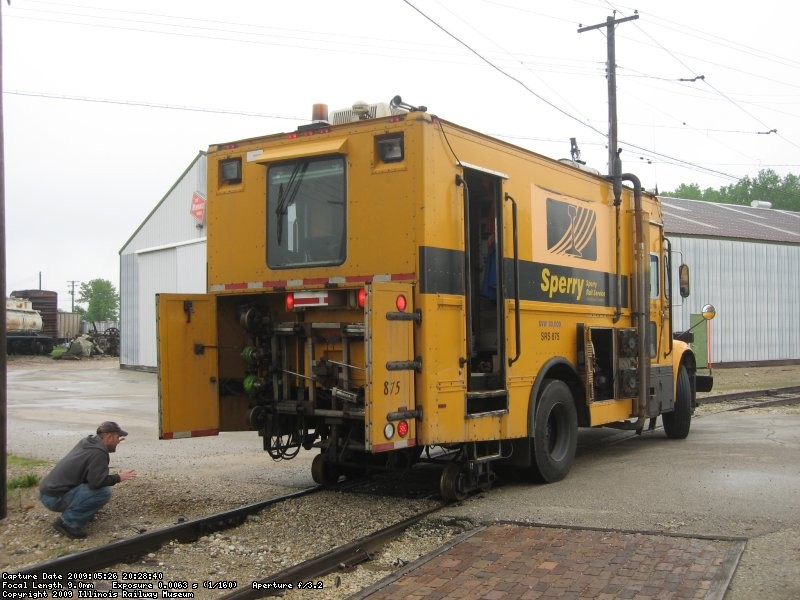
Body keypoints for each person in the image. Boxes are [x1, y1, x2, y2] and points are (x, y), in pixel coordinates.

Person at [39, 421, 137, 539]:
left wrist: (111, 445)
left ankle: (82, 513)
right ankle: (67, 523)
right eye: (117, 437)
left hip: (47, 492)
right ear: (108, 436)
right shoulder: (98, 452)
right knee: (103, 492)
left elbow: (89, 473)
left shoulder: (88, 442)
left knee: (94, 488)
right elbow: (97, 482)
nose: (118, 440)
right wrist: (118, 477)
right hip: (54, 498)